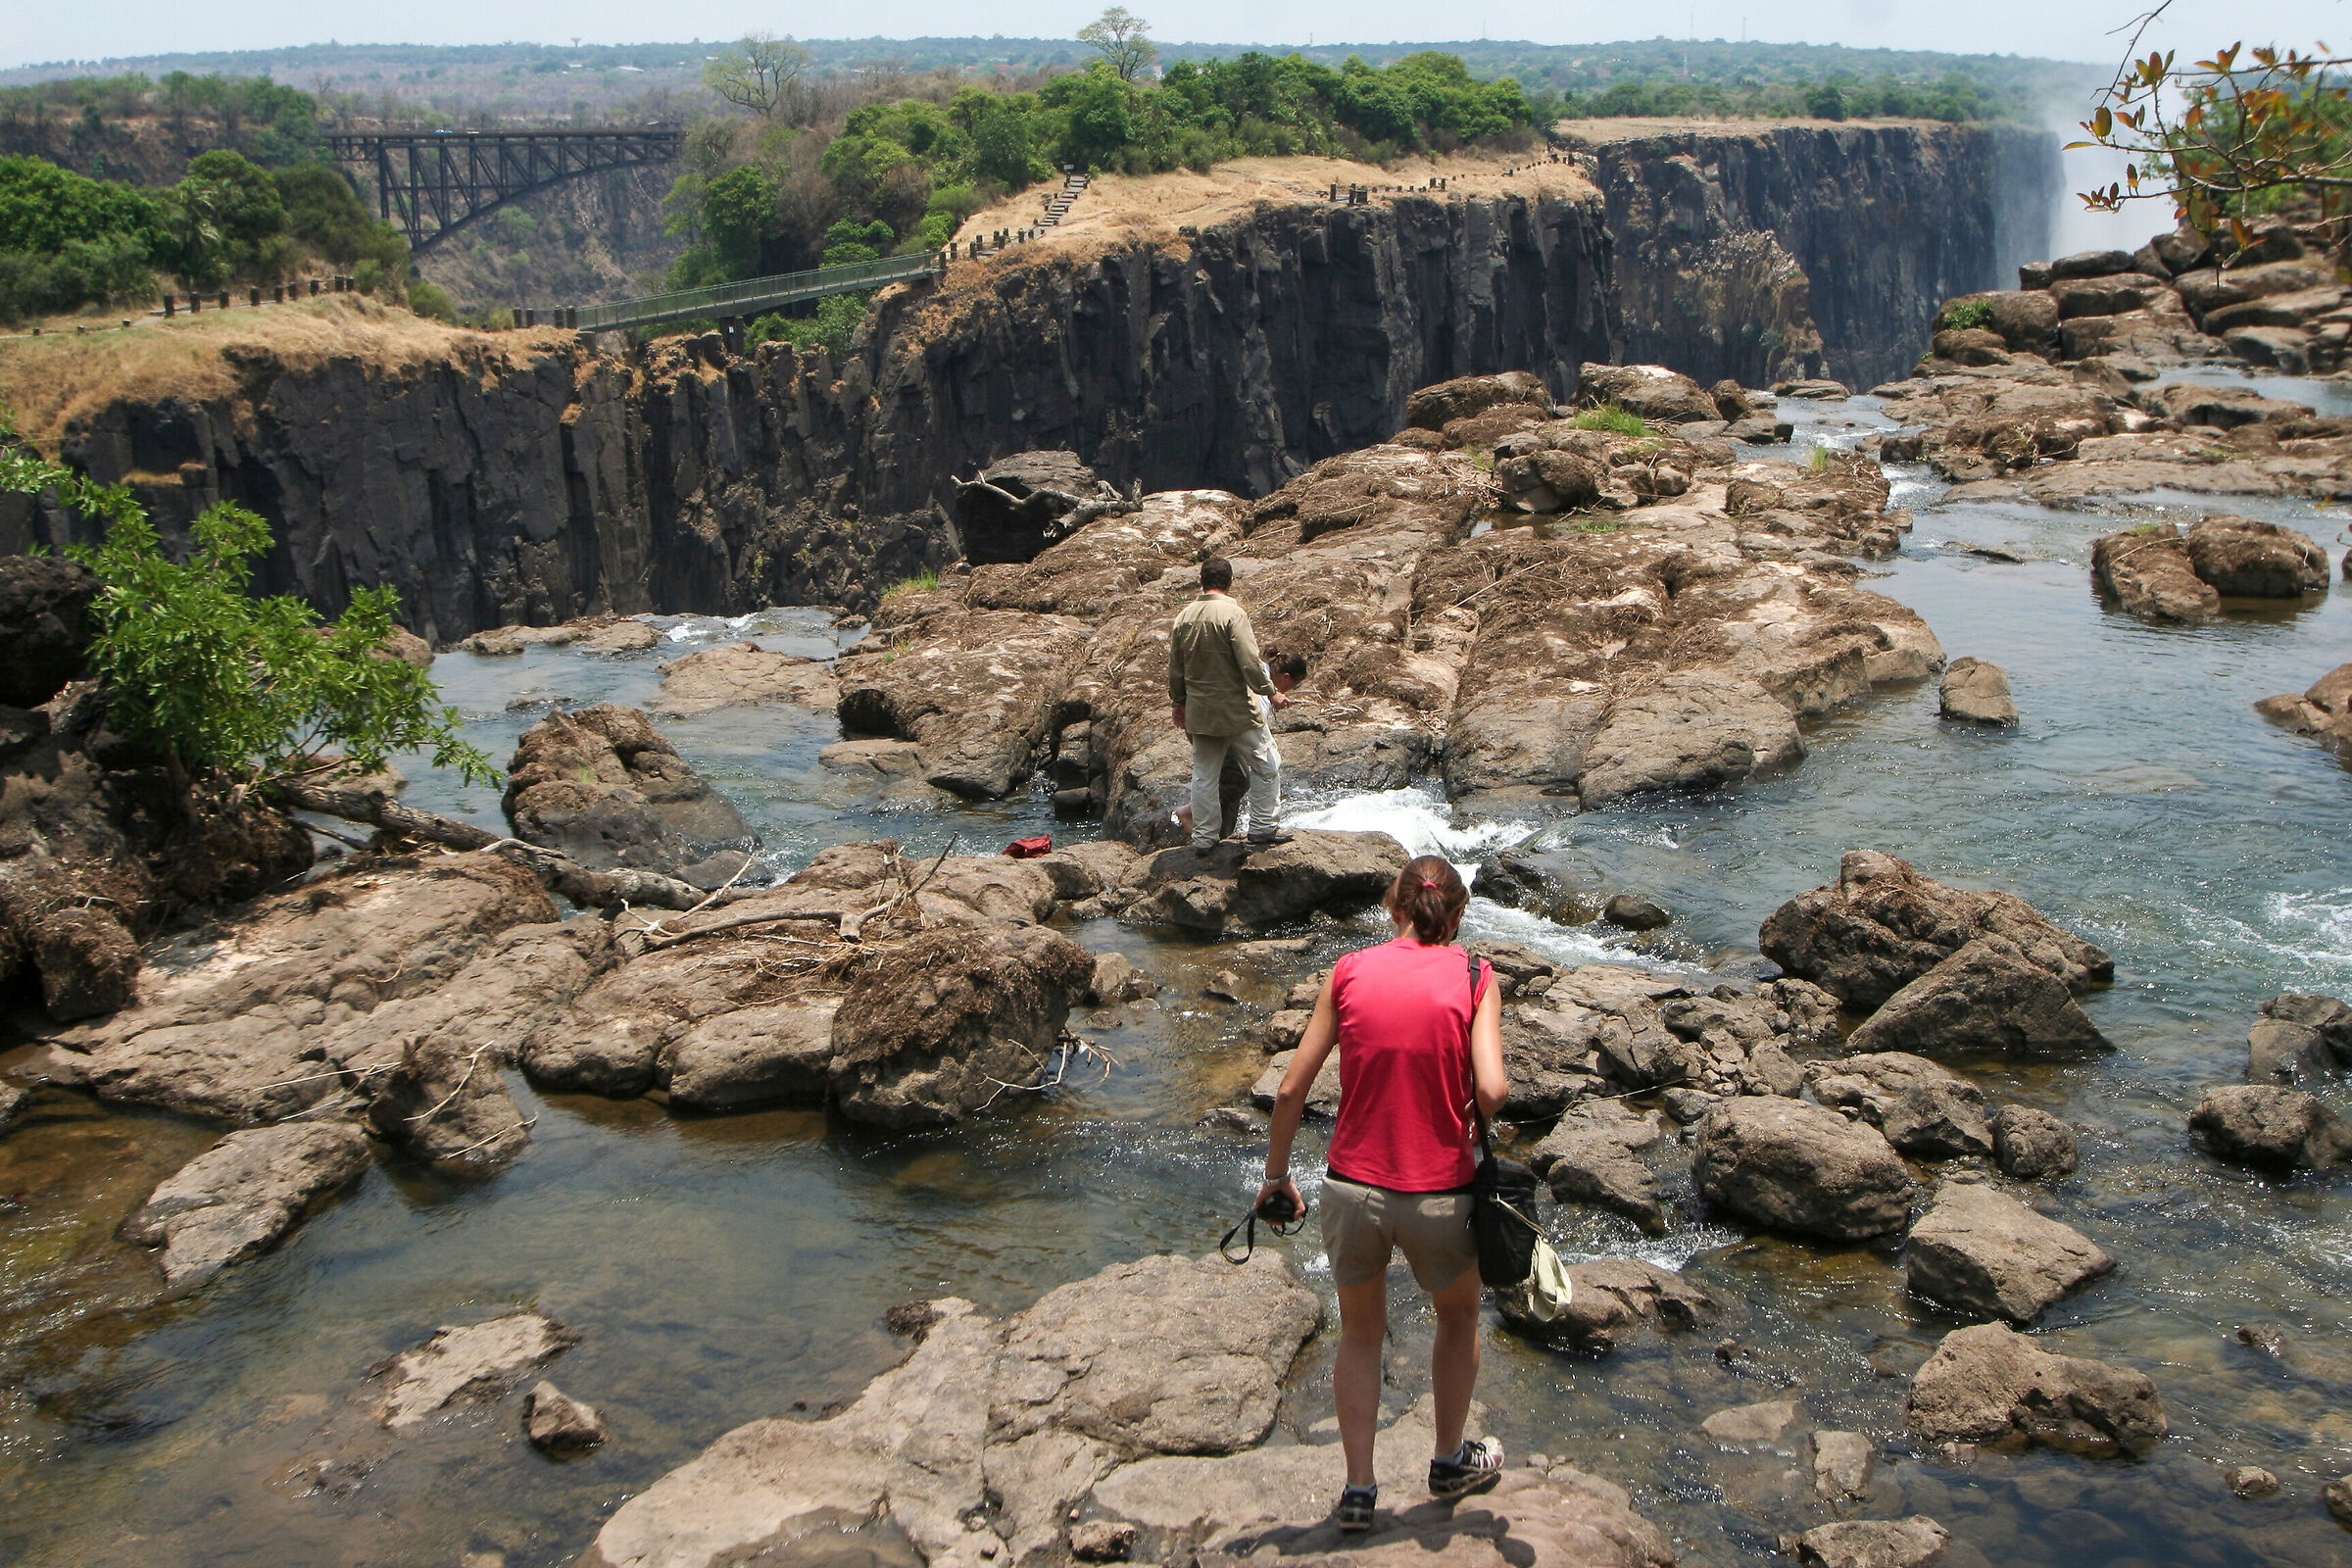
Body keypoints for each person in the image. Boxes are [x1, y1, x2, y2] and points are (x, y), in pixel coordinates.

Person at [1256, 855, 1510, 1531]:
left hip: (1351, 1188)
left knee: (1361, 1334)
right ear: (1455, 915)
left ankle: (1360, 1491)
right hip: (1442, 1193)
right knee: (1457, 1318)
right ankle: (1451, 1459)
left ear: (1391, 909)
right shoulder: (1475, 975)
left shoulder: (1348, 972)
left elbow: (1289, 1089)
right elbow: (1492, 1091)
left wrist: (1277, 1178)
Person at [1168, 557, 1289, 853]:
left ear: (1201, 580)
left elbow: (1175, 668)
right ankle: (1262, 828)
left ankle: (1204, 838)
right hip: (1236, 710)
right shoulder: (1233, 614)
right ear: (1230, 581)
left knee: (1205, 776)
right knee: (1266, 763)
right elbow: (1249, 662)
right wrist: (1270, 691)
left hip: (1200, 711)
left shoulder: (1183, 617)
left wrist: (1178, 702)